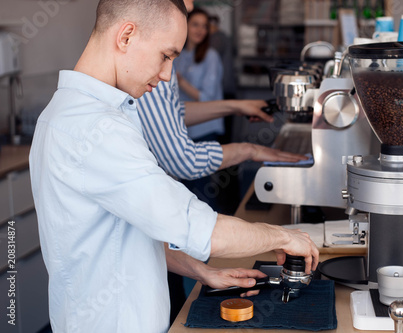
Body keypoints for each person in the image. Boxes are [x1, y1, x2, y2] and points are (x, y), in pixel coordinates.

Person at [29, 1, 319, 332]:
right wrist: (282, 237)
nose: (167, 74)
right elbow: (193, 225)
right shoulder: (97, 129)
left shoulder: (65, 113)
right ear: (126, 36)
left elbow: (129, 230)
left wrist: (200, 270)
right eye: (166, 56)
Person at [175, 7, 224, 141]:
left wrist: (181, 82)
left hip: (204, 127)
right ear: (185, 25)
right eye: (195, 25)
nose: (200, 30)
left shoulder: (211, 56)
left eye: (204, 26)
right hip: (182, 127)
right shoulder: (178, 56)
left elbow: (207, 97)